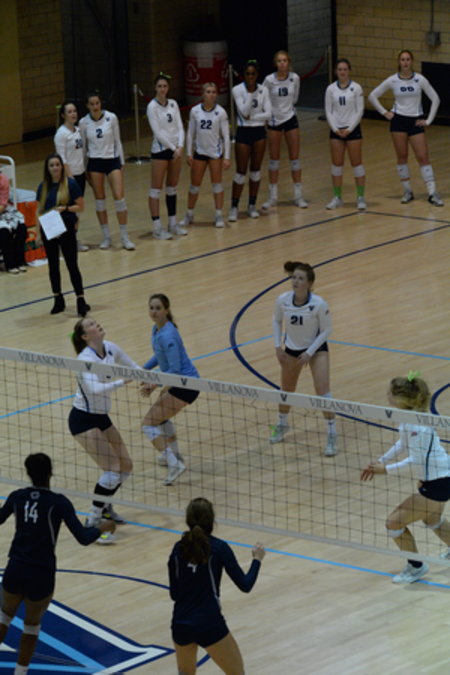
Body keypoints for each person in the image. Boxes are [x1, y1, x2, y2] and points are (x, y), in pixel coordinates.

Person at [0, 453, 114, 675]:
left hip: (16, 567)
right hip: (41, 573)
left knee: (4, 616)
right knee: (31, 626)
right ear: (51, 473)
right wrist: (103, 527)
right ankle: (20, 672)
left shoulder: (17, 497)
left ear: (27, 472)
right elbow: (83, 538)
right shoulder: (59, 502)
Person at [361, 374, 450, 584]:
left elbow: (415, 459)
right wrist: (380, 461)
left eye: (390, 393)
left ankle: (416, 566)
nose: (387, 395)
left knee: (393, 523)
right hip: (441, 477)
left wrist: (386, 470)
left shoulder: (418, 426)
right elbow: (402, 444)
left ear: (401, 398)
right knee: (432, 520)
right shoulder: (410, 418)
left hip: (438, 482)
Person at [169, 497, 265, 675]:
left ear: (188, 520)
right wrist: (257, 560)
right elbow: (245, 585)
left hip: (181, 622)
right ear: (212, 521)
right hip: (208, 622)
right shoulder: (219, 548)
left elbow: (174, 594)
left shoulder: (177, 549)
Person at [69, 317, 139, 539]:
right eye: (90, 324)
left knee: (125, 466)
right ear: (85, 336)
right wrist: (123, 381)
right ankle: (93, 520)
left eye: (95, 322)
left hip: (101, 417)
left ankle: (105, 506)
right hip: (83, 419)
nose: (96, 324)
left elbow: (134, 367)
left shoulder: (110, 348)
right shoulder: (84, 359)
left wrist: (148, 379)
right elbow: (94, 389)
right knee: (112, 469)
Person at [270, 261, 337, 456]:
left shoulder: (319, 304)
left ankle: (332, 434)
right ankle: (282, 424)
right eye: (294, 278)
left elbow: (327, 330)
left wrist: (310, 352)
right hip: (291, 350)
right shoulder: (282, 300)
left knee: (323, 391)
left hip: (316, 349)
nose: (295, 281)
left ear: (309, 283)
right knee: (286, 390)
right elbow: (276, 321)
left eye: (300, 279)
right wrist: (277, 347)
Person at [368, 50, 443, 206]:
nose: (405, 62)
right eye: (402, 59)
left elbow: (435, 98)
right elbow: (372, 96)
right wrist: (384, 112)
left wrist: (428, 120)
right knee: (402, 157)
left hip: (415, 121)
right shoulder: (393, 80)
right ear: (399, 62)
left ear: (412, 61)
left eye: (408, 59)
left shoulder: (420, 79)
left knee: (423, 157)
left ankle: (432, 193)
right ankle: (407, 191)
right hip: (399, 122)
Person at [141, 293, 199, 485]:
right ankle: (175, 455)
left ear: (166, 310)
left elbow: (174, 369)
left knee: (148, 424)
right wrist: (142, 370)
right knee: (160, 418)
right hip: (177, 383)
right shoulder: (157, 329)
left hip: (186, 385)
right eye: (151, 308)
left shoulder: (168, 335)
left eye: (158, 308)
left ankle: (175, 464)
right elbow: (159, 356)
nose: (154, 312)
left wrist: (154, 384)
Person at [79, 92, 135, 250]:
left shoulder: (111, 117)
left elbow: (118, 140)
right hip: (95, 162)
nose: (95, 106)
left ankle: (124, 237)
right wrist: (84, 168)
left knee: (119, 197)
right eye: (92, 104)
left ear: (101, 104)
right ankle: (106, 237)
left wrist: (121, 161)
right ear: (87, 106)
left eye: (97, 103)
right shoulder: (83, 122)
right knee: (100, 200)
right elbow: (83, 147)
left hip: (112, 160)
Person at [37, 153, 90, 316]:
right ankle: (58, 299)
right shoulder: (43, 187)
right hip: (49, 229)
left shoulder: (71, 184)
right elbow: (39, 211)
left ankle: (80, 299)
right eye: (51, 165)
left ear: (61, 166)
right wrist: (38, 234)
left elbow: (81, 206)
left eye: (57, 164)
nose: (55, 168)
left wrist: (66, 208)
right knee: (53, 266)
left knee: (72, 264)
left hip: (66, 228)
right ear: (47, 168)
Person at [179, 82, 230, 229]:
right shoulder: (195, 111)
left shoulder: (221, 112)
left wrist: (227, 157)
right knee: (194, 186)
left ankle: (218, 215)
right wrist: (189, 153)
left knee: (217, 185)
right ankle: (189, 214)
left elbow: (226, 136)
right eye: (208, 92)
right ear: (202, 94)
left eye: (213, 92)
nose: (211, 95)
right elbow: (190, 133)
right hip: (199, 153)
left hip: (215, 154)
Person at [262, 50, 308, 210]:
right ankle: (272, 196)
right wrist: (268, 116)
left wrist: (286, 110)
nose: (282, 63)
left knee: (294, 158)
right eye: (279, 61)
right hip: (274, 121)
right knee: (274, 159)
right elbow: (263, 99)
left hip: (290, 118)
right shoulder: (269, 80)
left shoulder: (295, 78)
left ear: (289, 62)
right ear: (275, 63)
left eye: (285, 61)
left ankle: (298, 195)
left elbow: (295, 98)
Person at [229, 60, 271, 222]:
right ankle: (234, 206)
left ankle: (252, 205)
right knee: (241, 171)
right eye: (248, 74)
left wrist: (253, 117)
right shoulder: (237, 90)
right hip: (244, 131)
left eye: (253, 74)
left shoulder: (264, 90)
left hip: (259, 131)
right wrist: (250, 93)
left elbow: (268, 114)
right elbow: (244, 112)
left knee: (255, 170)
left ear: (257, 75)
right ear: (244, 75)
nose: (251, 77)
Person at [146, 74, 185, 239]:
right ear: (155, 88)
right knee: (156, 189)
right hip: (161, 150)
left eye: (165, 86)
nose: (162, 89)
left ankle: (172, 223)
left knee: (172, 188)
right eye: (159, 86)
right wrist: (173, 148)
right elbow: (157, 132)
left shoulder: (173, 104)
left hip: (176, 150)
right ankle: (157, 228)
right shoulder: (152, 107)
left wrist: (181, 146)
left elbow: (180, 126)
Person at [324, 59, 366, 210]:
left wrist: (350, 128)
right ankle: (337, 197)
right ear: (336, 71)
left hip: (352, 130)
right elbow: (328, 110)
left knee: (357, 164)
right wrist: (335, 129)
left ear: (349, 71)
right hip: (336, 131)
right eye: (340, 69)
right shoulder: (330, 89)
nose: (342, 72)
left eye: (345, 69)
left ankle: (360, 197)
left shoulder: (356, 88)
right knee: (336, 165)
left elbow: (359, 110)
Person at [54, 100, 89, 252]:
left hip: (80, 174)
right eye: (69, 112)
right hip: (70, 177)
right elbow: (62, 159)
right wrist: (70, 178)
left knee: (77, 209)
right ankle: (64, 241)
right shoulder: (61, 134)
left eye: (74, 111)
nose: (73, 114)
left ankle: (73, 239)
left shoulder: (78, 130)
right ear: (63, 115)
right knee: (67, 209)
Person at [0, 170, 27, 274]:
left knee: (21, 227)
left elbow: (3, 202)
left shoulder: (3, 179)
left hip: (3, 208)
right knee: (4, 231)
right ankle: (10, 264)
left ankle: (20, 261)